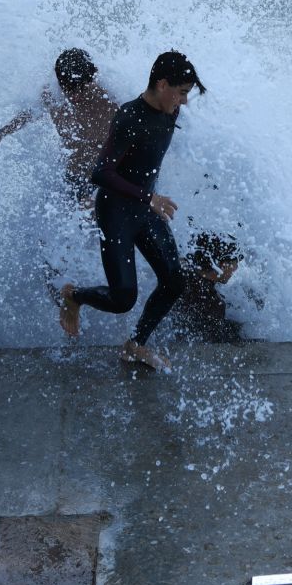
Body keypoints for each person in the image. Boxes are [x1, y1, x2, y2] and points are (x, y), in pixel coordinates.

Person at [59, 51, 206, 371]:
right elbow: (101, 173)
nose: (183, 102)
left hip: (144, 208)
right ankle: (74, 296)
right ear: (162, 84)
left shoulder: (169, 111)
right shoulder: (129, 117)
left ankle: (134, 345)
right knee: (122, 298)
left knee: (174, 281)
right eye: (181, 92)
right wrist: (149, 197)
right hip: (116, 212)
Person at [0, 48, 115, 196]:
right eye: (68, 89)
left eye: (81, 89)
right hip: (74, 180)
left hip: (106, 183)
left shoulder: (110, 102)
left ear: (93, 76)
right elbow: (28, 115)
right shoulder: (53, 97)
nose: (74, 96)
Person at [176, 232, 243, 343]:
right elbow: (216, 342)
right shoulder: (213, 303)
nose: (236, 269)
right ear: (224, 265)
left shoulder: (182, 272)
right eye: (236, 263)